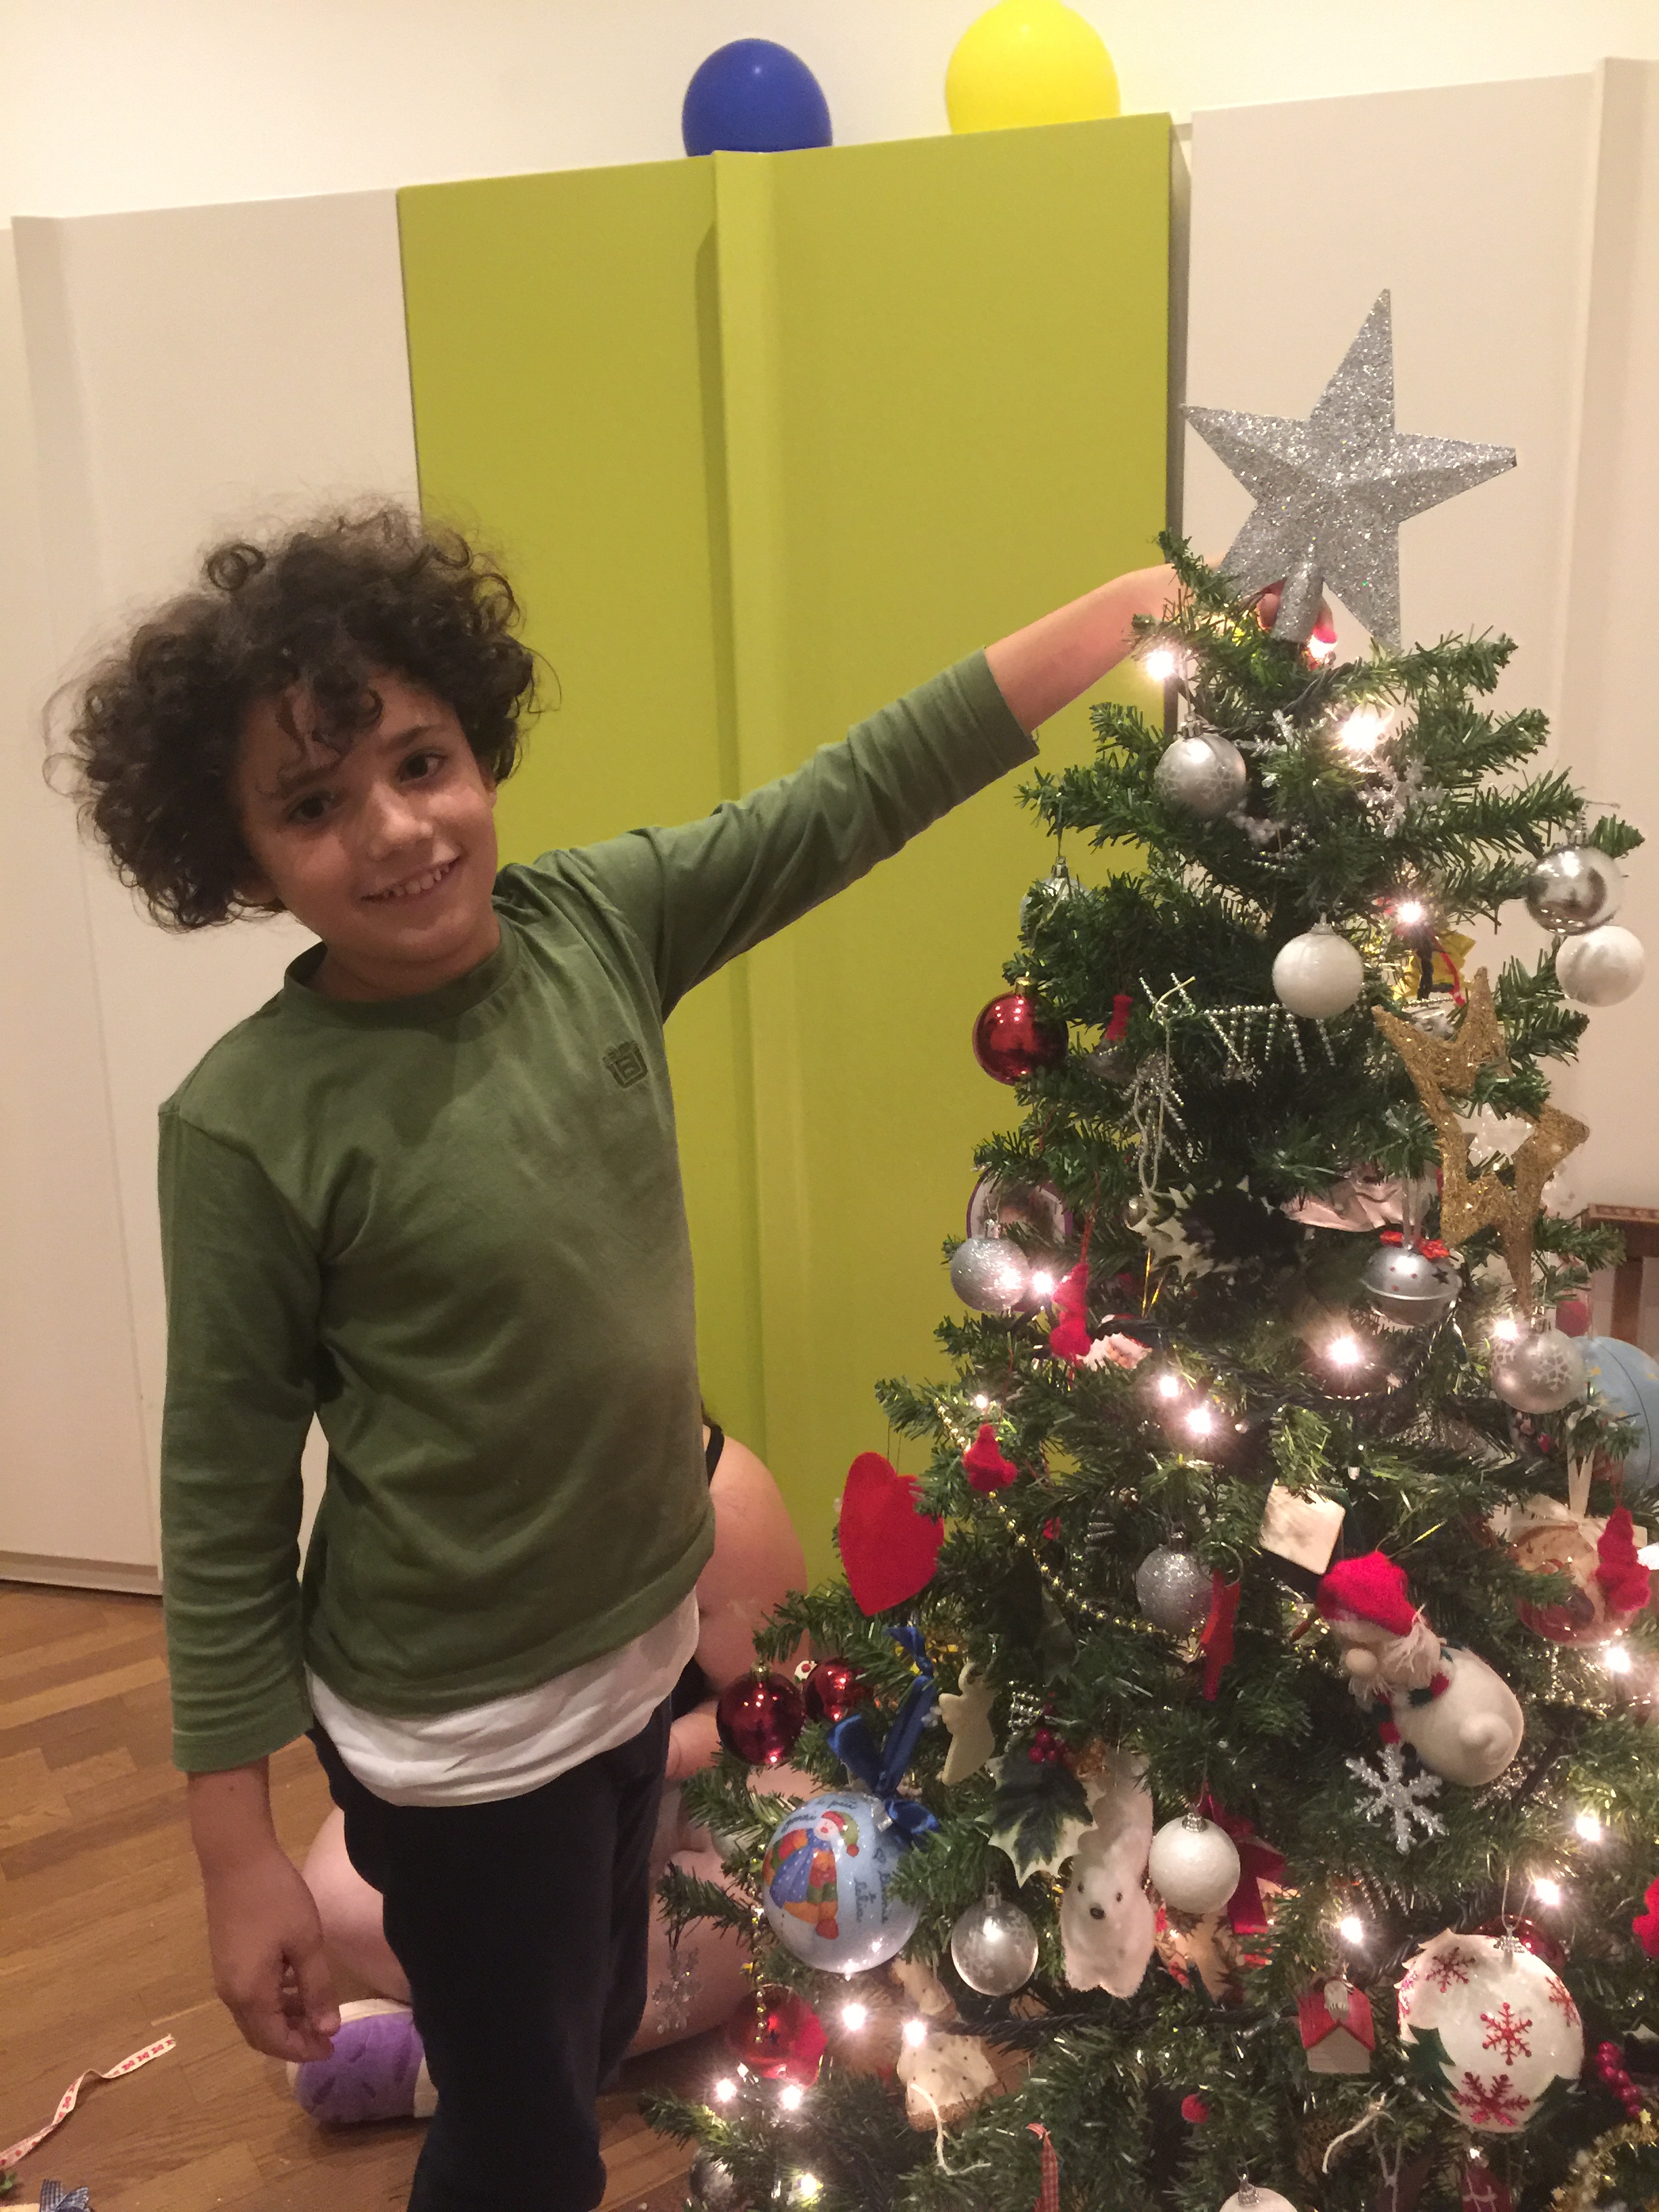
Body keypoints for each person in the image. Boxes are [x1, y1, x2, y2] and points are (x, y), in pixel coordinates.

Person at [60, 506, 1177, 2212]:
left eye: (421, 762)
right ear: (243, 855)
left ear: (476, 742)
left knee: (569, 2033)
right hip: (458, 1736)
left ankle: (473, 2053)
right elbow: (217, 1507)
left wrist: (1117, 616)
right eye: (314, 804)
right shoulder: (247, 1125)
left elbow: (852, 793)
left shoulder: (597, 924)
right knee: (527, 2148)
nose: (395, 829)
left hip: (635, 1665)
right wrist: (233, 1855)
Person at [298, 1418, 808, 2068]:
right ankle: (538, 2041)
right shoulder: (448, 1502)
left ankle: (470, 2053)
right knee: (338, 1890)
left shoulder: (721, 1497)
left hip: (678, 1783)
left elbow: (775, 1704)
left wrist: (657, 1757)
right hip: (507, 1802)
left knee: (793, 1871)